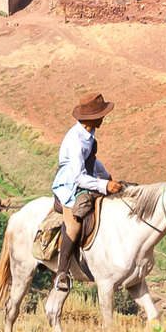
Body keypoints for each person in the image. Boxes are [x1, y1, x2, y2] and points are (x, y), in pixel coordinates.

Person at [50, 91, 122, 291]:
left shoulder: (88, 133)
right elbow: (78, 176)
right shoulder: (75, 140)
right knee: (74, 222)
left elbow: (91, 159)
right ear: (94, 118)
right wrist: (103, 186)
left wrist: (106, 176)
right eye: (102, 115)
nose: (104, 118)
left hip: (86, 177)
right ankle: (62, 272)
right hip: (70, 184)